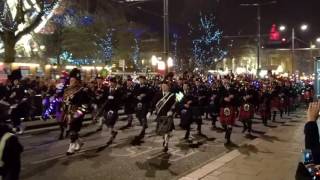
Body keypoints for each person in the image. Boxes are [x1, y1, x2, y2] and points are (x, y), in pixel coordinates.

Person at [62, 68, 90, 155]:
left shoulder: (82, 91)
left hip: (77, 113)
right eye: (70, 79)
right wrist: (63, 110)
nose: (71, 81)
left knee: (72, 130)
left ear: (77, 81)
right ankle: (79, 142)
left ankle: (71, 147)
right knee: (71, 130)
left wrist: (78, 114)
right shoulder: (67, 90)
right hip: (68, 113)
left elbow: (85, 104)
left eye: (73, 80)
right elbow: (64, 101)